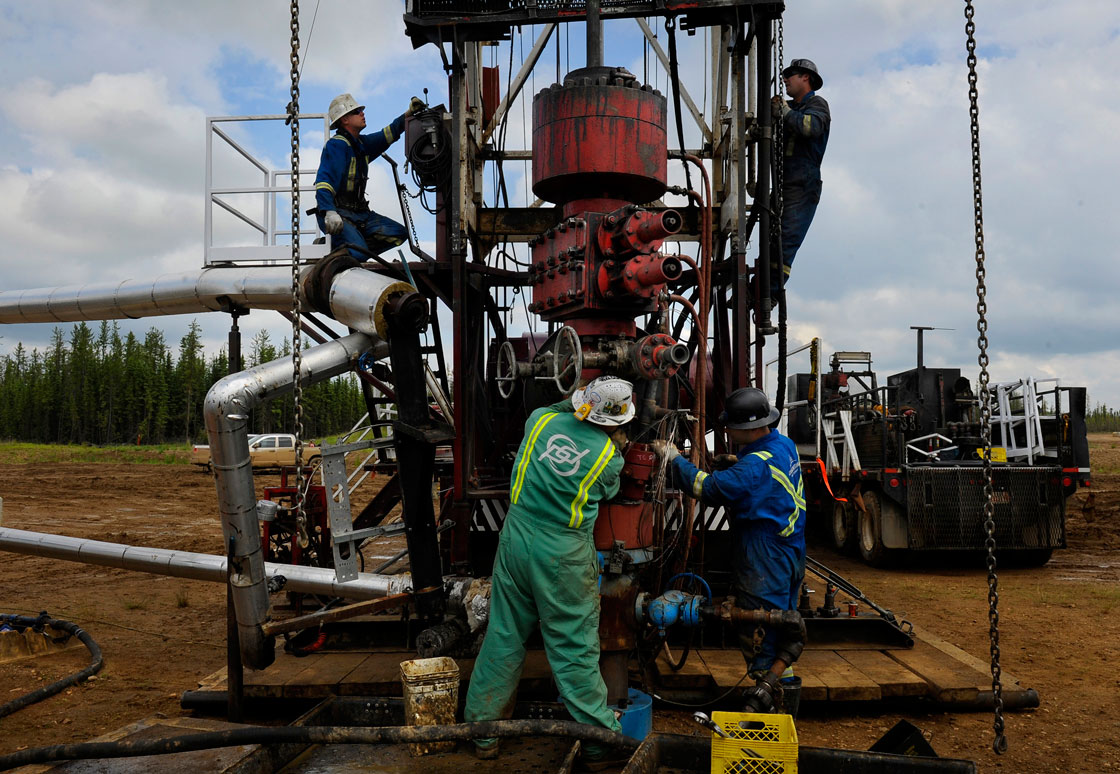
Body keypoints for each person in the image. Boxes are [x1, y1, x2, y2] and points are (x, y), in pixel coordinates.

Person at [464, 376, 634, 761]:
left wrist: (579, 401)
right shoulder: (610, 459)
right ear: (619, 423)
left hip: (516, 538)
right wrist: (616, 439)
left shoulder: (539, 420)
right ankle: (598, 741)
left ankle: (483, 731)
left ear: (583, 404)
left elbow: (562, 409)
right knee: (573, 646)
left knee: (504, 634)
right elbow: (609, 493)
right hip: (563, 552)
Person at [651, 387, 806, 689]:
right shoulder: (783, 445)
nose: (729, 432)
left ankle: (768, 702)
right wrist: (735, 464)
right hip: (790, 548)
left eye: (731, 427)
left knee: (761, 628)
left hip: (764, 556)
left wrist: (672, 460)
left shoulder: (753, 467)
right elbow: (762, 475)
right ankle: (780, 687)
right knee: (783, 623)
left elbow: (707, 489)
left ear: (744, 427)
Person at [313, 92, 424, 260]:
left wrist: (408, 114)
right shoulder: (336, 146)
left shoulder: (362, 145)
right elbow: (324, 182)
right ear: (345, 120)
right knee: (360, 253)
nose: (362, 113)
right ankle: (349, 249)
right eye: (356, 111)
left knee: (399, 233)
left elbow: (388, 133)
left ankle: (343, 247)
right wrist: (329, 211)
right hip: (339, 214)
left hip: (360, 214)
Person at [771, 58, 830, 288]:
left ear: (806, 77)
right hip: (782, 183)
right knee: (772, 240)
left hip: (803, 185)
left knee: (785, 240)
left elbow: (810, 127)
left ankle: (771, 292)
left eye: (790, 75)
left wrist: (783, 111)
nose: (785, 79)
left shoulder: (817, 105)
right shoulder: (789, 109)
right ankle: (759, 287)